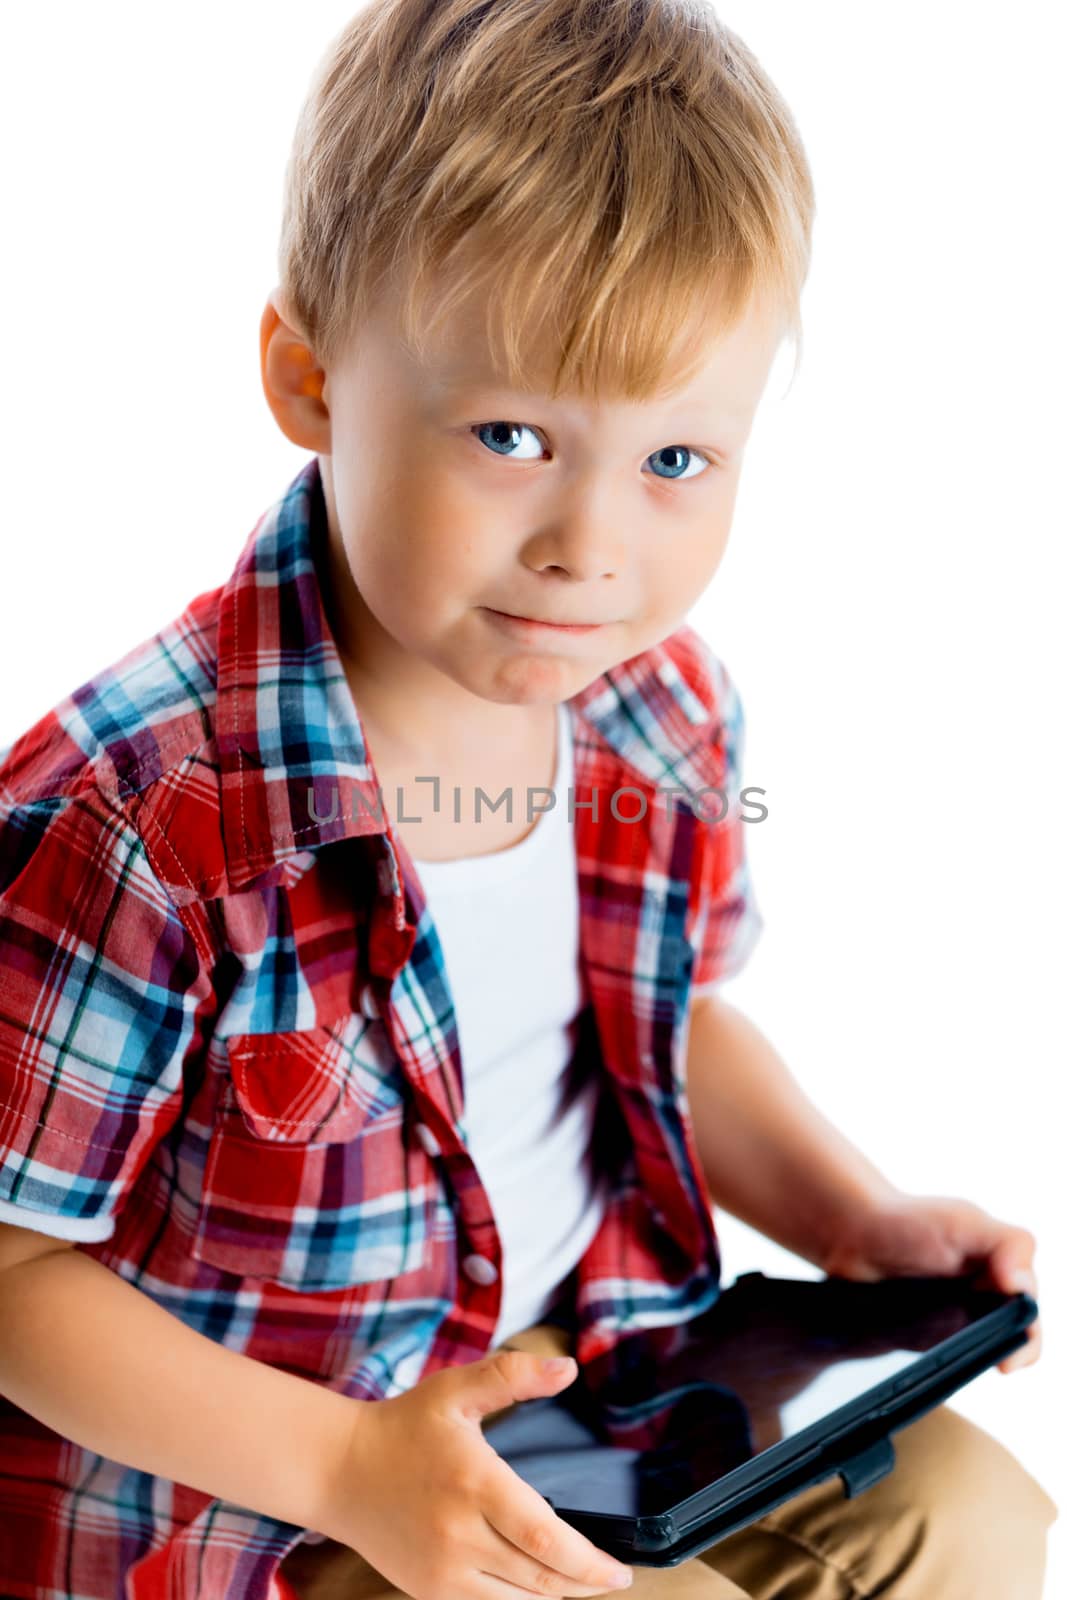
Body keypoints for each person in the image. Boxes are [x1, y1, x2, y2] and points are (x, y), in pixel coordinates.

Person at [0, 3, 1055, 1597]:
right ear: (308, 377)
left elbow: (666, 1024)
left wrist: (856, 1217)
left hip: (586, 1391)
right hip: (265, 1507)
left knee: (970, 1518)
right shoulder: (146, 821)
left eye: (677, 463)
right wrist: (349, 1470)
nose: (592, 545)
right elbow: (12, 1268)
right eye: (511, 435)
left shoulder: (658, 709)